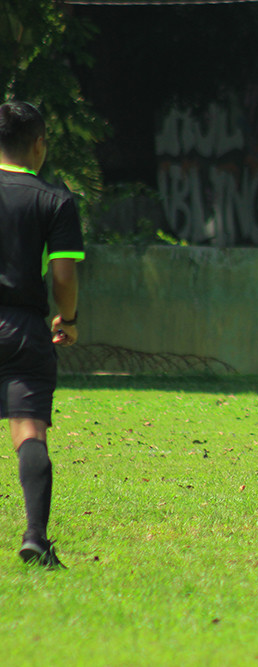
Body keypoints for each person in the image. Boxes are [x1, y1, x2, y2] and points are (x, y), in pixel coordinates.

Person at [0, 101, 84, 568]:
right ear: (38, 144)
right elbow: (64, 277)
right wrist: (66, 320)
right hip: (22, 327)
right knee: (29, 431)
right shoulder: (54, 199)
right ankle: (34, 536)